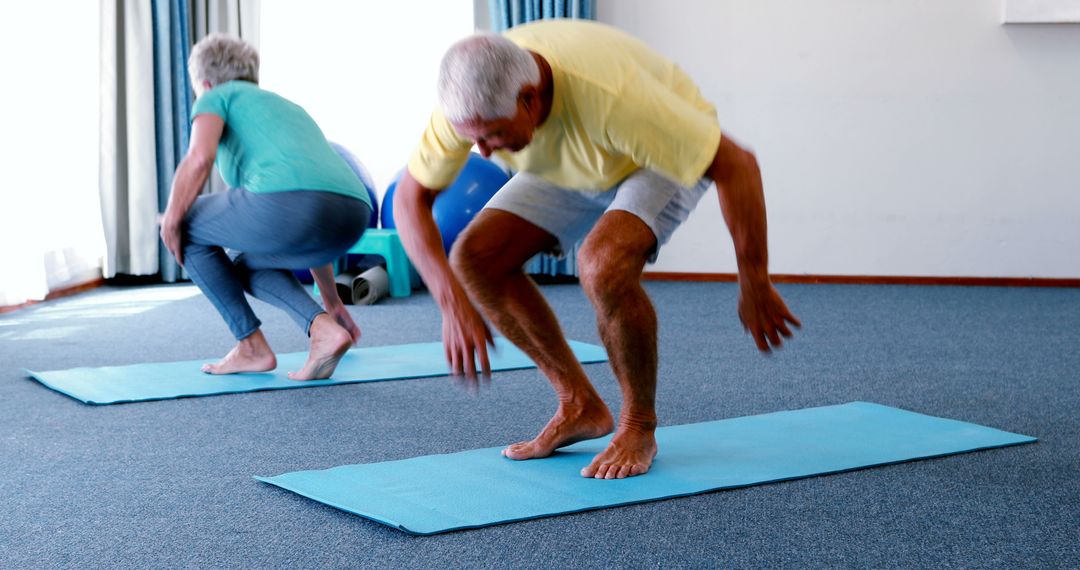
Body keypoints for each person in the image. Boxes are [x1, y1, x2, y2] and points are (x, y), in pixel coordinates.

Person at [394, 20, 801, 479]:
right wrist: (449, 303)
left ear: (529, 99)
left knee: (602, 264)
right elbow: (410, 199)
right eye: (472, 138)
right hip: (573, 159)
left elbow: (737, 165)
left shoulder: (617, 101)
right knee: (475, 259)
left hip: (651, 156)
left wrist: (754, 280)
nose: (482, 153)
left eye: (490, 135)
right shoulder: (473, 102)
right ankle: (579, 404)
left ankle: (638, 425)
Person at [160, 33, 371, 380]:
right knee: (249, 264)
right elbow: (309, 215)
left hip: (292, 205)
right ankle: (323, 328)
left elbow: (199, 158)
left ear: (206, 83)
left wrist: (172, 218)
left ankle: (250, 345)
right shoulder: (287, 108)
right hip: (353, 212)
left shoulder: (215, 97)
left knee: (186, 225)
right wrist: (332, 302)